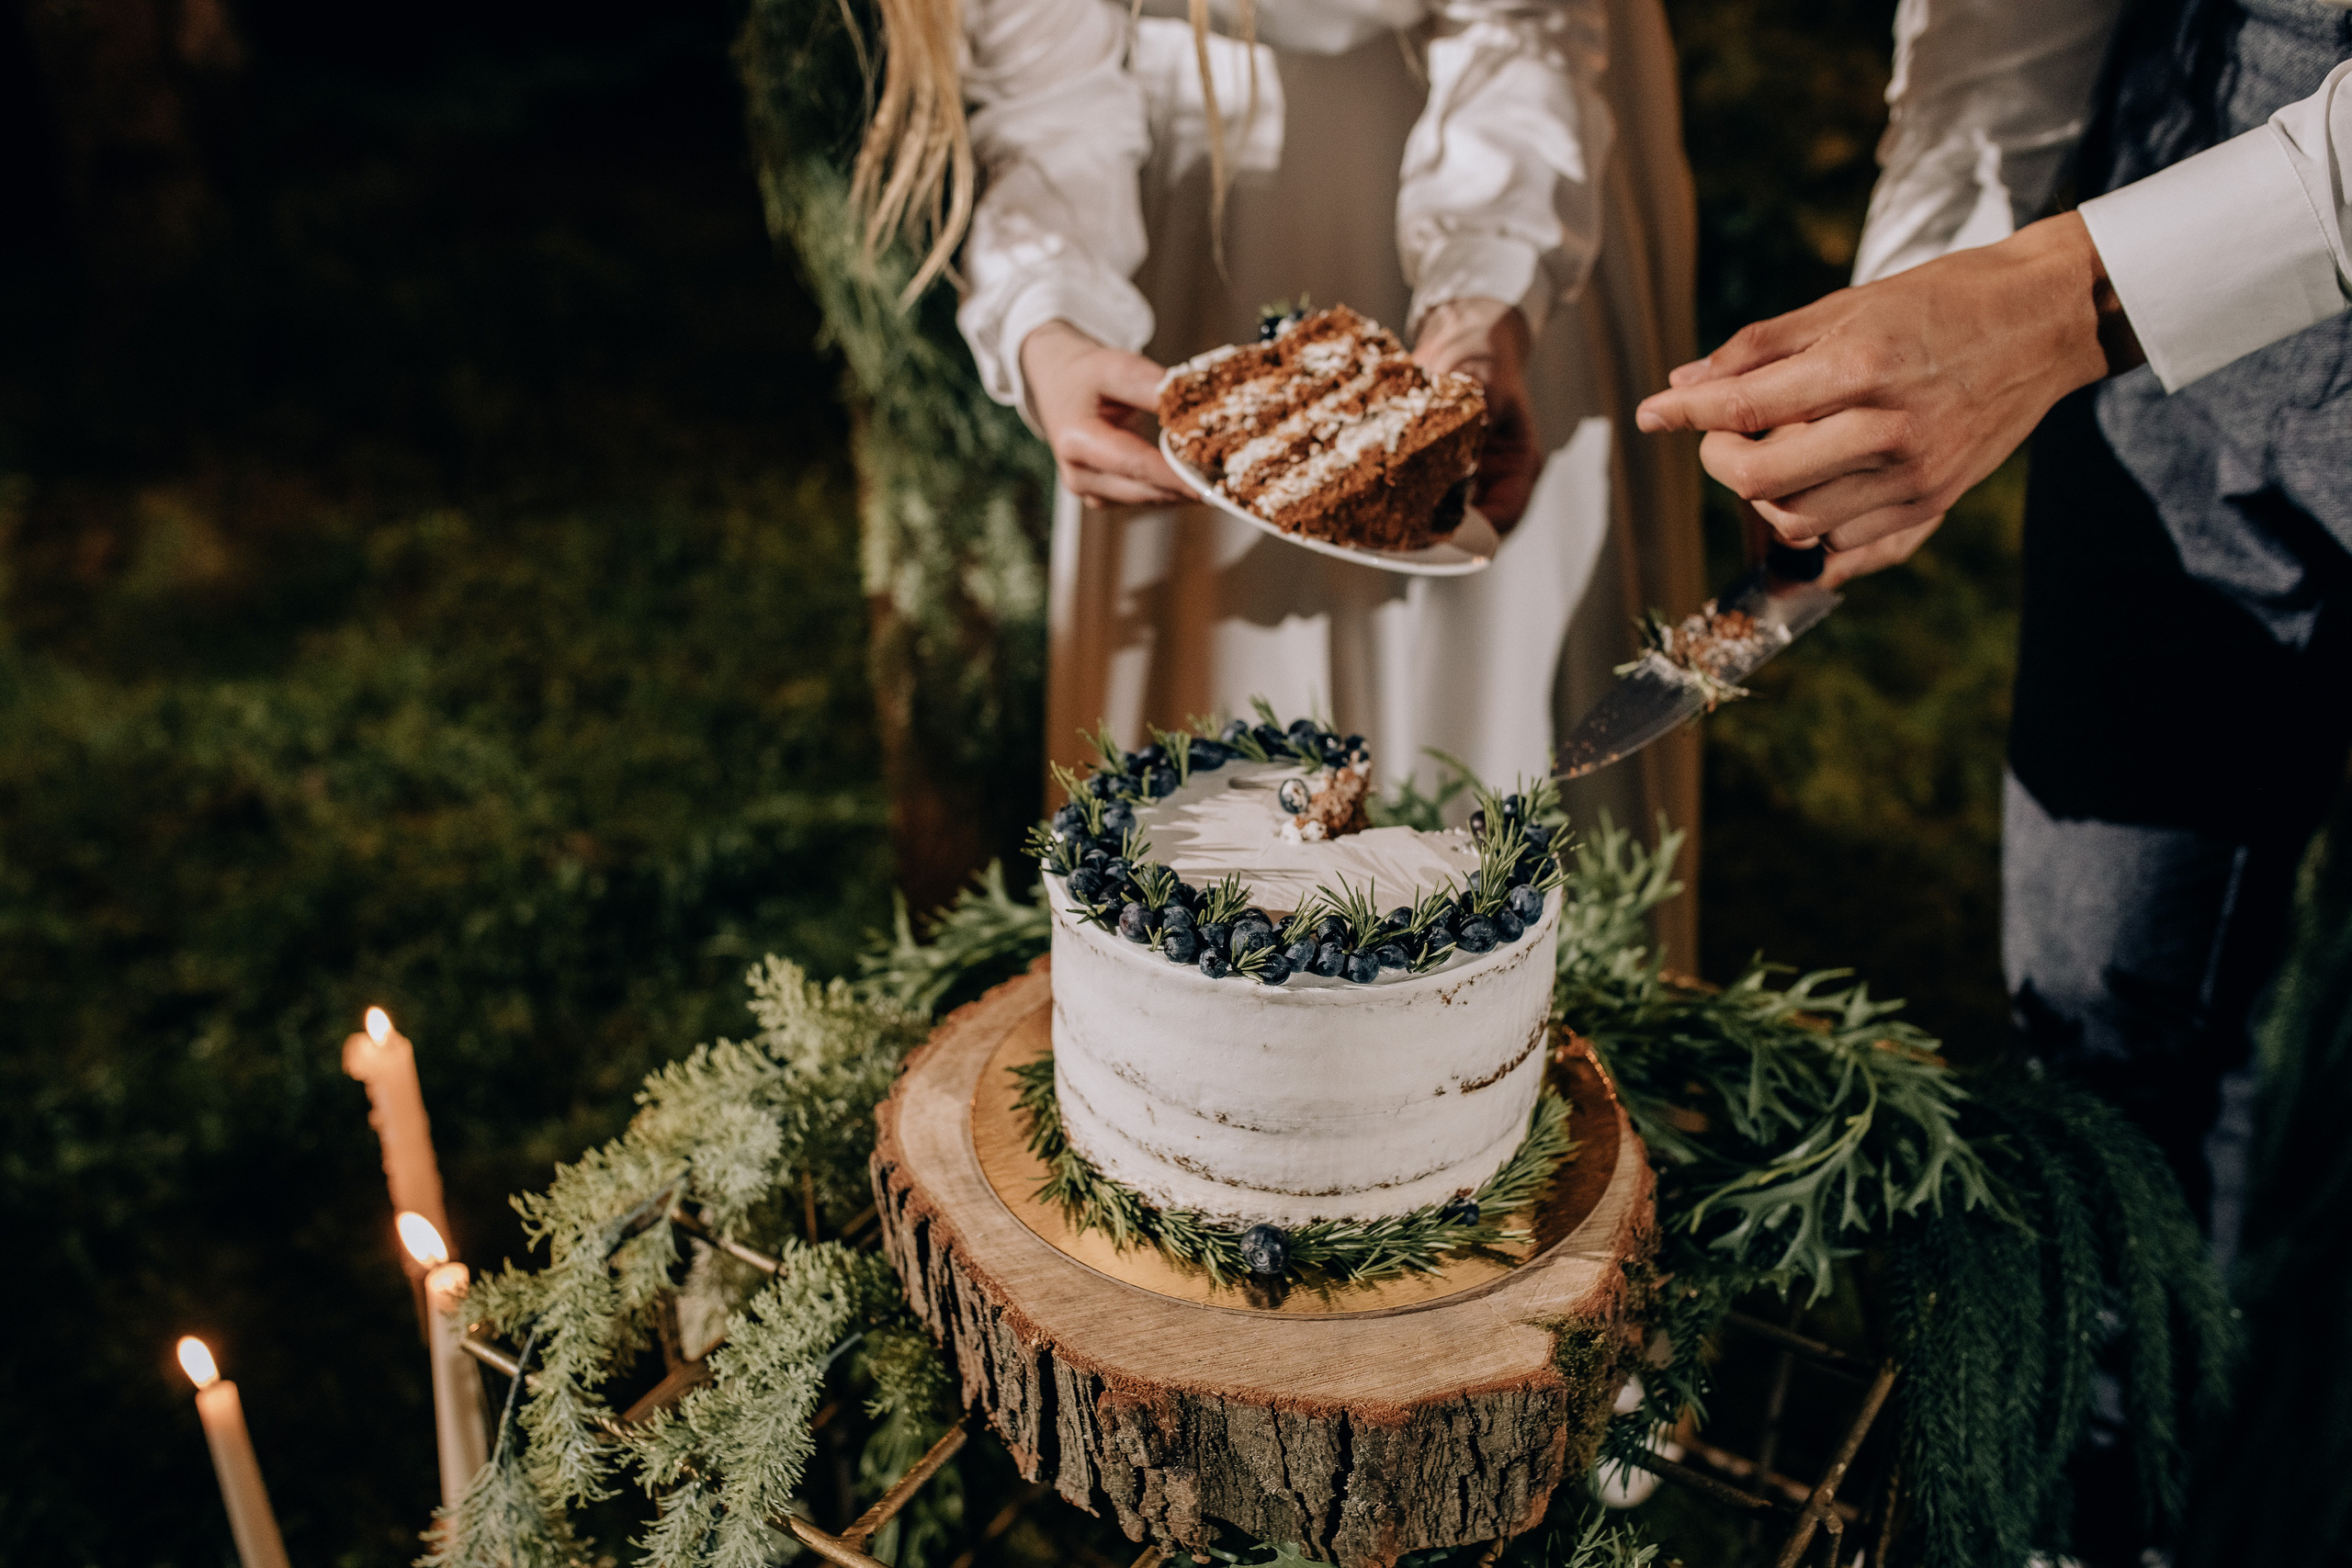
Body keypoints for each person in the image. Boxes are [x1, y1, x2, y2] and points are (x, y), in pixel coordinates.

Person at [897, 0, 1707, 957]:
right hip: (1181, 168)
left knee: (1510, 706)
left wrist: (1487, 305)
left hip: (1528, 141)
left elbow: (1521, 27)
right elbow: (1040, 85)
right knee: (1203, 767)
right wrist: (1051, 315)